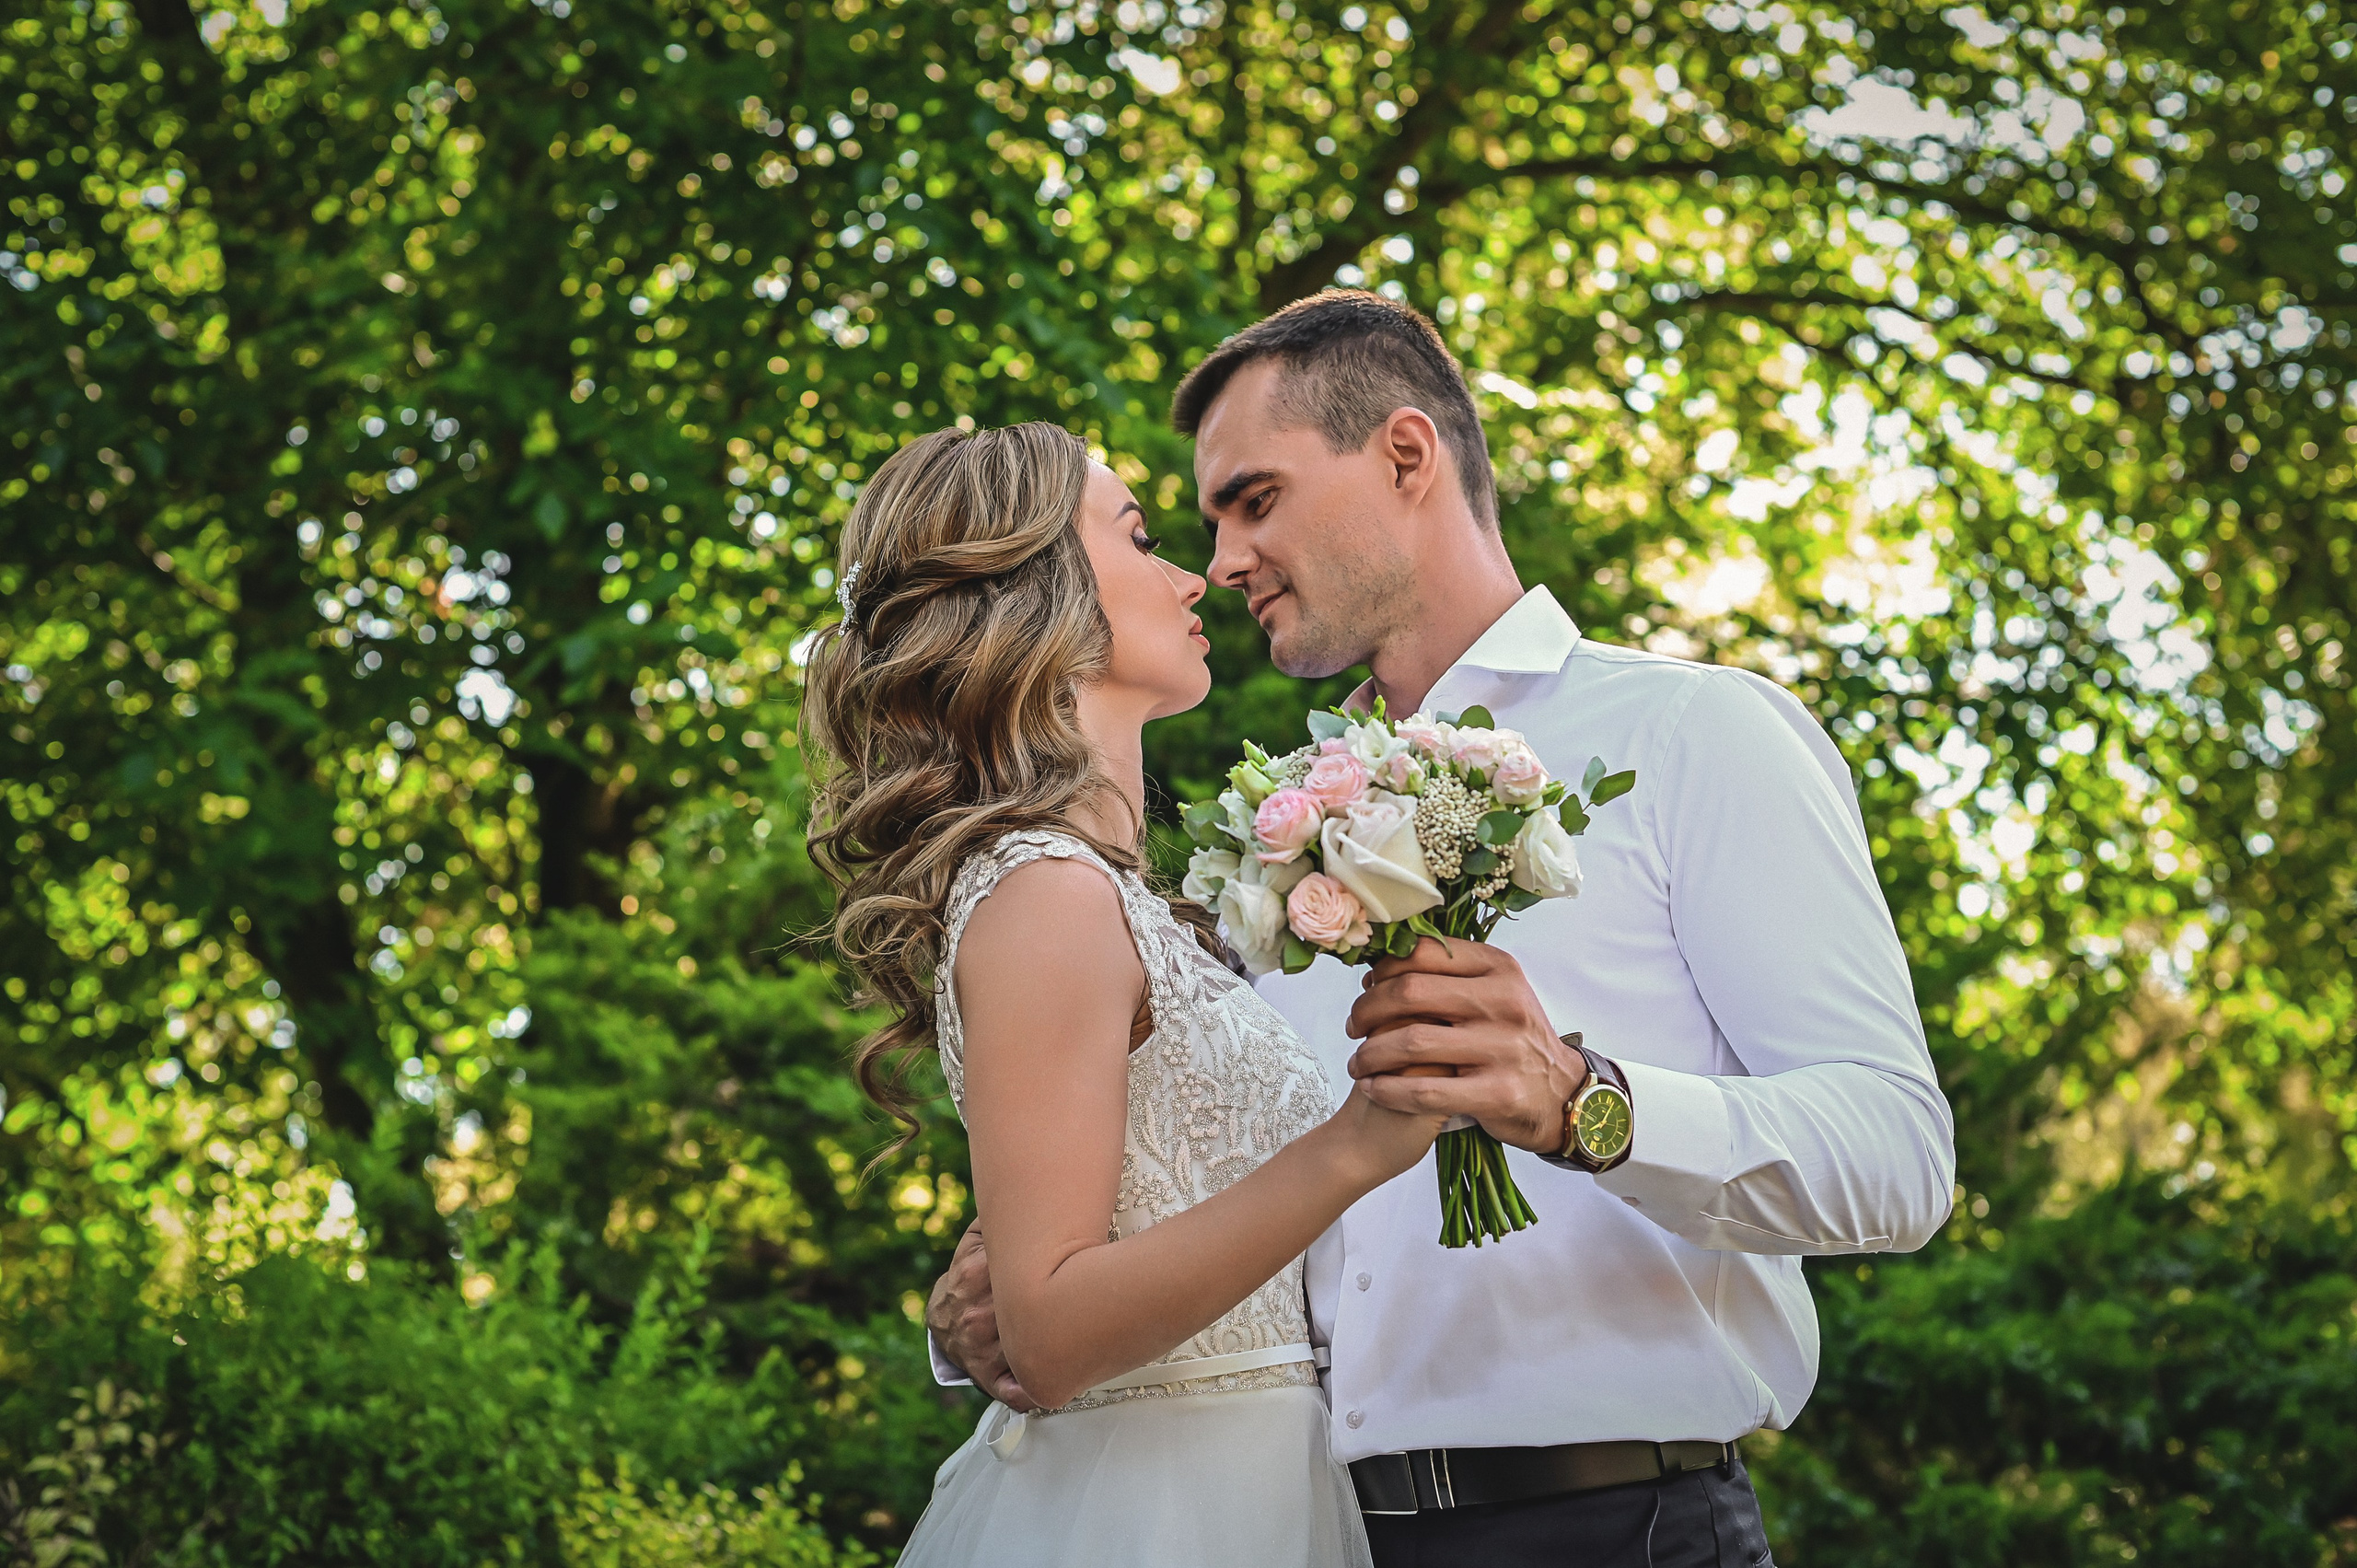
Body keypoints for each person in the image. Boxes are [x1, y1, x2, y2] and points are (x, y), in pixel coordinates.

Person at [926, 291, 1958, 1566]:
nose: (1227, 558)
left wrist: (1588, 1099)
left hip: (1611, 1525)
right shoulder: (1263, 838)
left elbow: (1901, 1155)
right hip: (1302, 1526)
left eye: (1255, 499)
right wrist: (991, 1303)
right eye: (1201, 524)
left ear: (1405, 455)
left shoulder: (1697, 737)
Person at [804, 421, 1446, 1567]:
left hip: (1254, 1482)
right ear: (1037, 588)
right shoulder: (1043, 891)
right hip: (1151, 1511)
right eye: (1141, 538)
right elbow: (1048, 1332)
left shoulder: (1111, 897)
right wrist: (1355, 1143)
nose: (1193, 573)